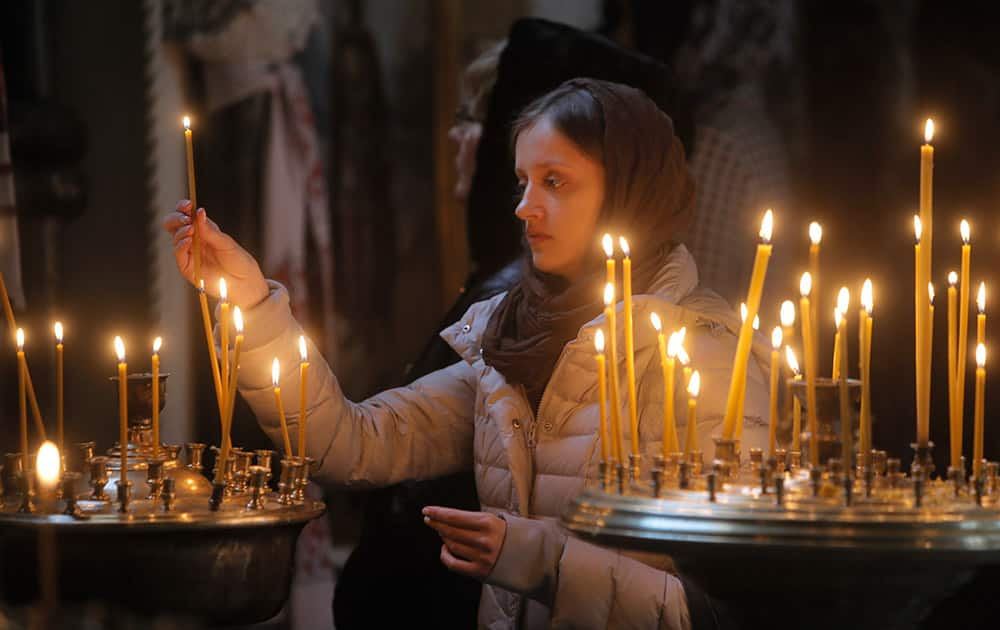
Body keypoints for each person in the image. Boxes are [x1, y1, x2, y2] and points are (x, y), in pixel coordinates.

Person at [164, 78, 769, 629]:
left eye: (554, 181)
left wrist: (536, 558)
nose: (524, 207)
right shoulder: (509, 339)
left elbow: (715, 613)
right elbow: (349, 445)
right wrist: (248, 301)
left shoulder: (708, 358)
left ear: (630, 194)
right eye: (522, 182)